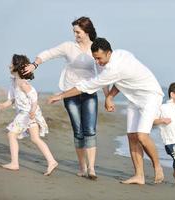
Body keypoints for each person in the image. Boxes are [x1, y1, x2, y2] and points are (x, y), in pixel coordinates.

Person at [48, 37, 165, 185]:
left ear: (109, 53)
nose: (97, 62)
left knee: (141, 136)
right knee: (132, 137)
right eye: (95, 58)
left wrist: (60, 96)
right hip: (134, 99)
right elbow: (122, 80)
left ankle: (157, 166)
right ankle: (139, 176)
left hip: (151, 96)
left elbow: (86, 86)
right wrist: (109, 97)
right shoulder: (122, 53)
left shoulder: (113, 69)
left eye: (99, 58)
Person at [23, 17, 103, 179]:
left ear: (87, 31)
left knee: (90, 130)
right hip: (69, 94)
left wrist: (108, 97)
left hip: (89, 94)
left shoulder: (96, 48)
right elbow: (49, 54)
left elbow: (104, 73)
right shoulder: (68, 47)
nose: (75, 35)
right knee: (79, 131)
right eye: (74, 32)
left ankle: (92, 168)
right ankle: (82, 167)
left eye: (78, 32)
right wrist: (34, 64)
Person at [0, 54, 58, 176]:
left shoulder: (23, 83)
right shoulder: (14, 81)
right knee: (35, 138)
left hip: (27, 114)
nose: (9, 65)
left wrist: (33, 109)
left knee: (11, 134)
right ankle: (52, 161)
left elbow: (34, 96)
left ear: (18, 67)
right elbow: (12, 99)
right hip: (28, 114)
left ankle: (14, 163)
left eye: (12, 64)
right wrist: (4, 105)